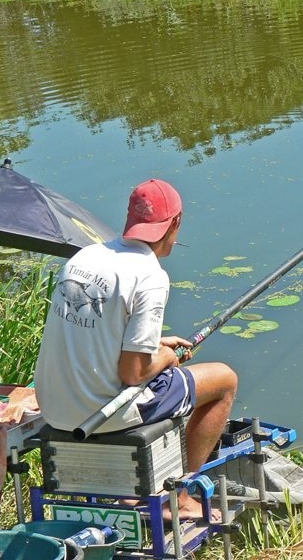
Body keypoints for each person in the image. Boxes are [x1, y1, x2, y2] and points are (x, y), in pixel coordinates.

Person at [34, 178, 237, 521]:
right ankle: (183, 497)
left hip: (54, 406)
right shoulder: (150, 276)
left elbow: (97, 332)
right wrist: (167, 357)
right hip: (103, 414)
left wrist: (154, 345)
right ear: (176, 223)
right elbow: (134, 373)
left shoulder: (85, 257)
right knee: (224, 381)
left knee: (168, 369)